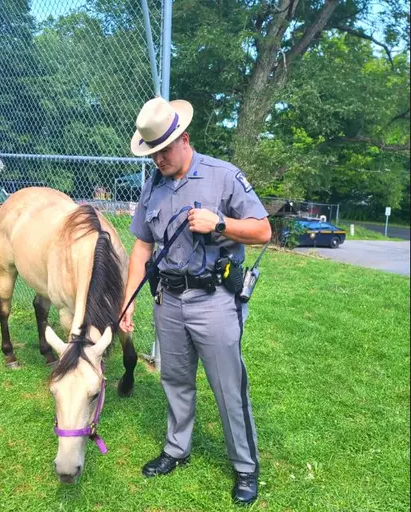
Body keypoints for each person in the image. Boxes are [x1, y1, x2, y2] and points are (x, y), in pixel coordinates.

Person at [119, 97, 271, 505]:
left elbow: (263, 231)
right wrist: (128, 300)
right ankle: (176, 448)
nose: (158, 160)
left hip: (214, 300)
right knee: (175, 379)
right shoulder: (152, 184)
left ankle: (244, 466)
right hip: (168, 299)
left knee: (228, 386)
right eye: (151, 154)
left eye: (163, 151)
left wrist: (219, 222)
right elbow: (140, 247)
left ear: (184, 139)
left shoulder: (224, 177)